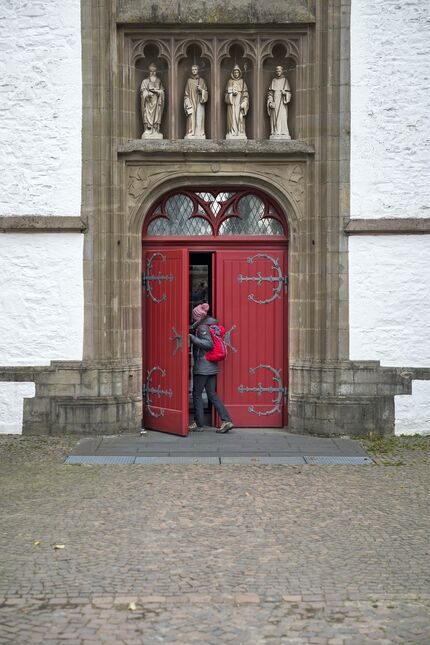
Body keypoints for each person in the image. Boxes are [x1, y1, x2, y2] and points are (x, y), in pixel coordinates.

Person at [188, 303, 233, 433]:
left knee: (197, 394)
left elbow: (208, 345)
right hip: (211, 365)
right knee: (212, 394)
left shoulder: (202, 327)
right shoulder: (211, 324)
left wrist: (192, 338)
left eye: (193, 316)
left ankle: (198, 423)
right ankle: (226, 420)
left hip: (203, 367)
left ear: (197, 316)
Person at [140, 63, 165, 139]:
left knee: (157, 115)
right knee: (147, 114)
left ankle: (155, 129)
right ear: (149, 72)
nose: (153, 73)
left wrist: (159, 92)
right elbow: (142, 92)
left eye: (154, 71)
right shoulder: (145, 81)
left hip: (157, 103)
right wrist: (147, 94)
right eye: (151, 71)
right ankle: (148, 129)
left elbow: (162, 91)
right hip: (148, 102)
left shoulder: (159, 81)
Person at [184, 64, 209, 139]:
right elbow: (186, 94)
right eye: (193, 69)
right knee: (191, 116)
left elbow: (206, 92)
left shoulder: (201, 80)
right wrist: (187, 102)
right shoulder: (189, 81)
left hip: (199, 102)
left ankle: (199, 133)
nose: (194, 71)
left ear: (198, 70)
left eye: (195, 69)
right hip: (191, 101)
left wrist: (201, 90)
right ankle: (190, 133)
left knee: (199, 116)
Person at [267, 65, 292, 139]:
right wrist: (271, 102)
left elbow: (289, 93)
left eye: (279, 71)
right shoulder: (273, 81)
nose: (278, 72)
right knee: (275, 117)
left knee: (283, 117)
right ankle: (276, 132)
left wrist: (285, 94)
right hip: (275, 102)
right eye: (277, 71)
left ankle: (284, 132)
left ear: (282, 71)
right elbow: (270, 93)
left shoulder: (285, 81)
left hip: (282, 103)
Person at [225, 64, 249, 139]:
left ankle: (240, 132)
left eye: (237, 72)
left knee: (240, 117)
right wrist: (231, 93)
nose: (236, 74)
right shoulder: (230, 81)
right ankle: (232, 132)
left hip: (239, 103)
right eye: (234, 72)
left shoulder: (242, 82)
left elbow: (245, 94)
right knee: (232, 118)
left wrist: (244, 102)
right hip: (232, 104)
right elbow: (225, 95)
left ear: (239, 73)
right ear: (232, 73)